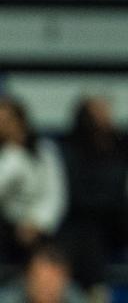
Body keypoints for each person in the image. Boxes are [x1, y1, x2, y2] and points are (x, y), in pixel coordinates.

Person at [57, 97, 128, 299]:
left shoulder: (118, 141)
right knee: (88, 231)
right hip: (86, 217)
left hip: (115, 218)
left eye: (106, 110)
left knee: (126, 204)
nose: (106, 115)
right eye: (98, 111)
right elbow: (77, 192)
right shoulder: (72, 146)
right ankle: (96, 290)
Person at [0, 97, 67, 263]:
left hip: (42, 227)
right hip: (8, 225)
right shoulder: (7, 156)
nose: (3, 126)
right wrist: (11, 156)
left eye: (7, 120)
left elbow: (55, 194)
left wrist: (37, 222)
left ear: (20, 120)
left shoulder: (45, 151)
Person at [0, 244, 87, 303]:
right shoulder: (8, 298)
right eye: (42, 282)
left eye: (53, 282)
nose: (47, 289)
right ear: (28, 278)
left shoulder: (75, 298)